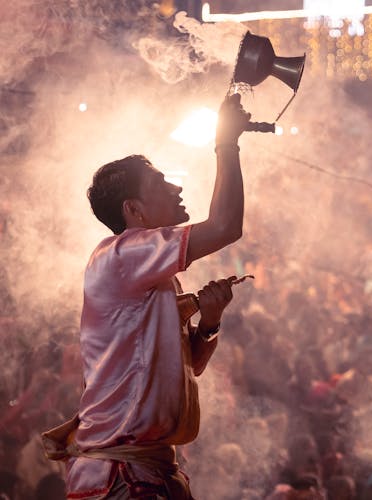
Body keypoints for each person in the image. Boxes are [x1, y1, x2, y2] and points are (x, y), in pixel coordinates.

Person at [41, 93, 251, 499]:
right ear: (134, 211)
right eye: (160, 182)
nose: (175, 186)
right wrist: (226, 142)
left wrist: (209, 324)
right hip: (123, 476)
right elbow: (226, 226)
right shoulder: (121, 253)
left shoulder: (150, 273)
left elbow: (181, 366)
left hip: (142, 470)